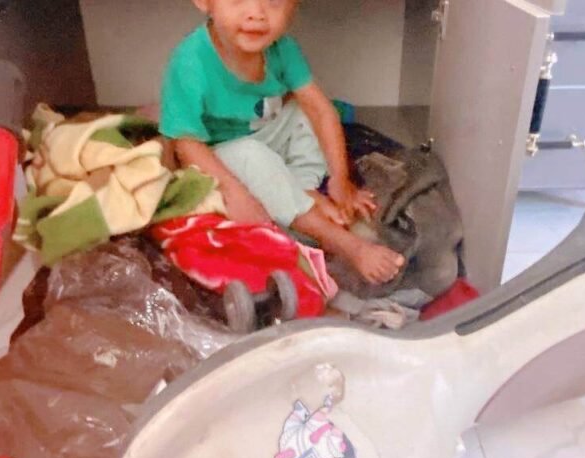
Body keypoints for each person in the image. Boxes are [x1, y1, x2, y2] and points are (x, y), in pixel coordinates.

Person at [159, 0, 406, 285]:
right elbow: (186, 144)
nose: (256, 14)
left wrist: (340, 177)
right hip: (214, 156)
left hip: (263, 136)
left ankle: (302, 189)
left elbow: (320, 110)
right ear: (205, 2)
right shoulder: (190, 61)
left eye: (273, 2)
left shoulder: (283, 49)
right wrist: (235, 193)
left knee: (308, 110)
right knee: (251, 154)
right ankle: (346, 244)